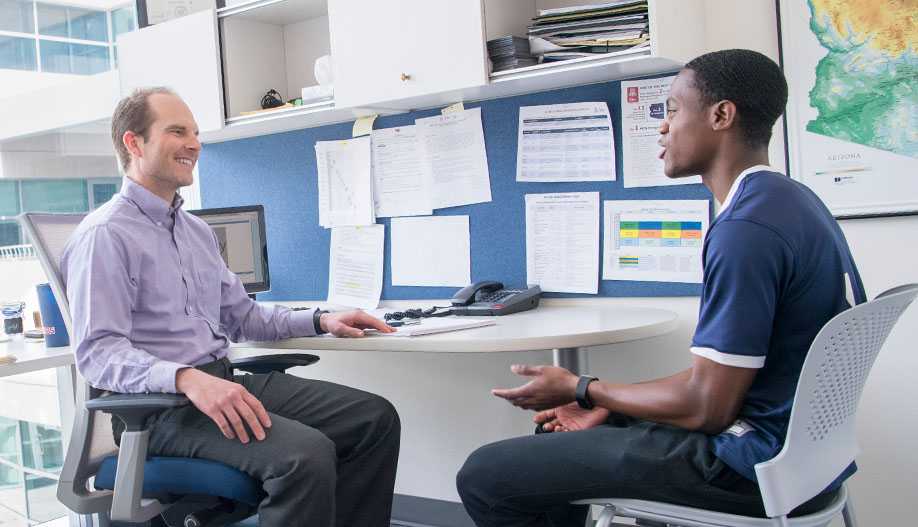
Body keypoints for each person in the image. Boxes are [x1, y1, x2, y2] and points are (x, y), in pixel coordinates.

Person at [456, 49, 866, 526]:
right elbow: (717, 383)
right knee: (562, 437)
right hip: (804, 460)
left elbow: (708, 406)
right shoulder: (792, 201)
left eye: (672, 109)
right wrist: (598, 400)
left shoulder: (745, 230)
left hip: (746, 465)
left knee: (486, 475)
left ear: (721, 115)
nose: (661, 126)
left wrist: (581, 386)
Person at [61, 87, 400, 527]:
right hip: (160, 409)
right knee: (304, 456)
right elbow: (98, 354)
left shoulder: (195, 231)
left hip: (222, 382)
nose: (194, 143)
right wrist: (186, 379)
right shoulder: (105, 235)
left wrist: (322, 320)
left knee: (373, 419)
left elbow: (243, 317)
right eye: (177, 131)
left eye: (196, 133)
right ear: (133, 142)